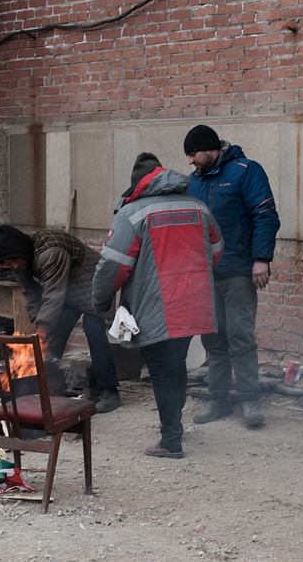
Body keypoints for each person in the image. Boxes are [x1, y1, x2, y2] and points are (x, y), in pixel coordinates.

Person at [93, 153, 222, 459]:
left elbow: (113, 265)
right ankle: (174, 425)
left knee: (162, 370)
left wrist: (101, 300)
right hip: (195, 300)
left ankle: (171, 440)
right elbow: (216, 249)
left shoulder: (133, 213)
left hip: (157, 304)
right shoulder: (198, 206)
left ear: (138, 184)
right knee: (175, 363)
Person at [184, 124, 280, 429]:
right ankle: (219, 399)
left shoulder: (246, 171)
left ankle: (250, 399)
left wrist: (261, 259)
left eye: (193, 154)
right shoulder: (193, 182)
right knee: (213, 338)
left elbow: (265, 216)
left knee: (240, 336)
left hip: (239, 270)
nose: (190, 161)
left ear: (210, 149)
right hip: (206, 275)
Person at [0, 225, 122, 413]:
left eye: (14, 261)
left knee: (94, 332)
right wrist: (37, 321)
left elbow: (53, 294)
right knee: (55, 335)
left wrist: (43, 328)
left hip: (92, 282)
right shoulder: (20, 259)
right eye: (8, 263)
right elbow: (31, 293)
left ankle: (109, 391)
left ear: (22, 251)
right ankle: (50, 386)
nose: (14, 266)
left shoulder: (51, 253)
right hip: (67, 287)